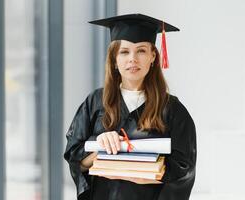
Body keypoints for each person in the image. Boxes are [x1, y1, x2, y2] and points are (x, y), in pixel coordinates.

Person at [64, 13, 196, 200]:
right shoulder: (95, 102)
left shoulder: (172, 109)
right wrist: (100, 145)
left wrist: (145, 174)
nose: (133, 59)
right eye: (124, 52)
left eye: (141, 51)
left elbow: (184, 168)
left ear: (152, 57)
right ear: (114, 60)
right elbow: (76, 160)